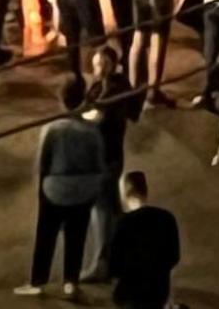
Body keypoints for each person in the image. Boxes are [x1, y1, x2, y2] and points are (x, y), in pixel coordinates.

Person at [25, 82, 110, 298]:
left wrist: (42, 188)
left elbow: (42, 164)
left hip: (56, 187)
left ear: (62, 101)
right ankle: (70, 282)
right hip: (84, 189)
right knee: (77, 236)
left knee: (46, 234)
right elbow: (99, 163)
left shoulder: (53, 129)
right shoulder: (91, 132)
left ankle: (38, 281)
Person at [105, 173, 181, 309]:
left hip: (129, 293)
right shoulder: (166, 218)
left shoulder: (124, 222)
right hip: (158, 291)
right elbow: (174, 256)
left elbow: (114, 264)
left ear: (125, 192)